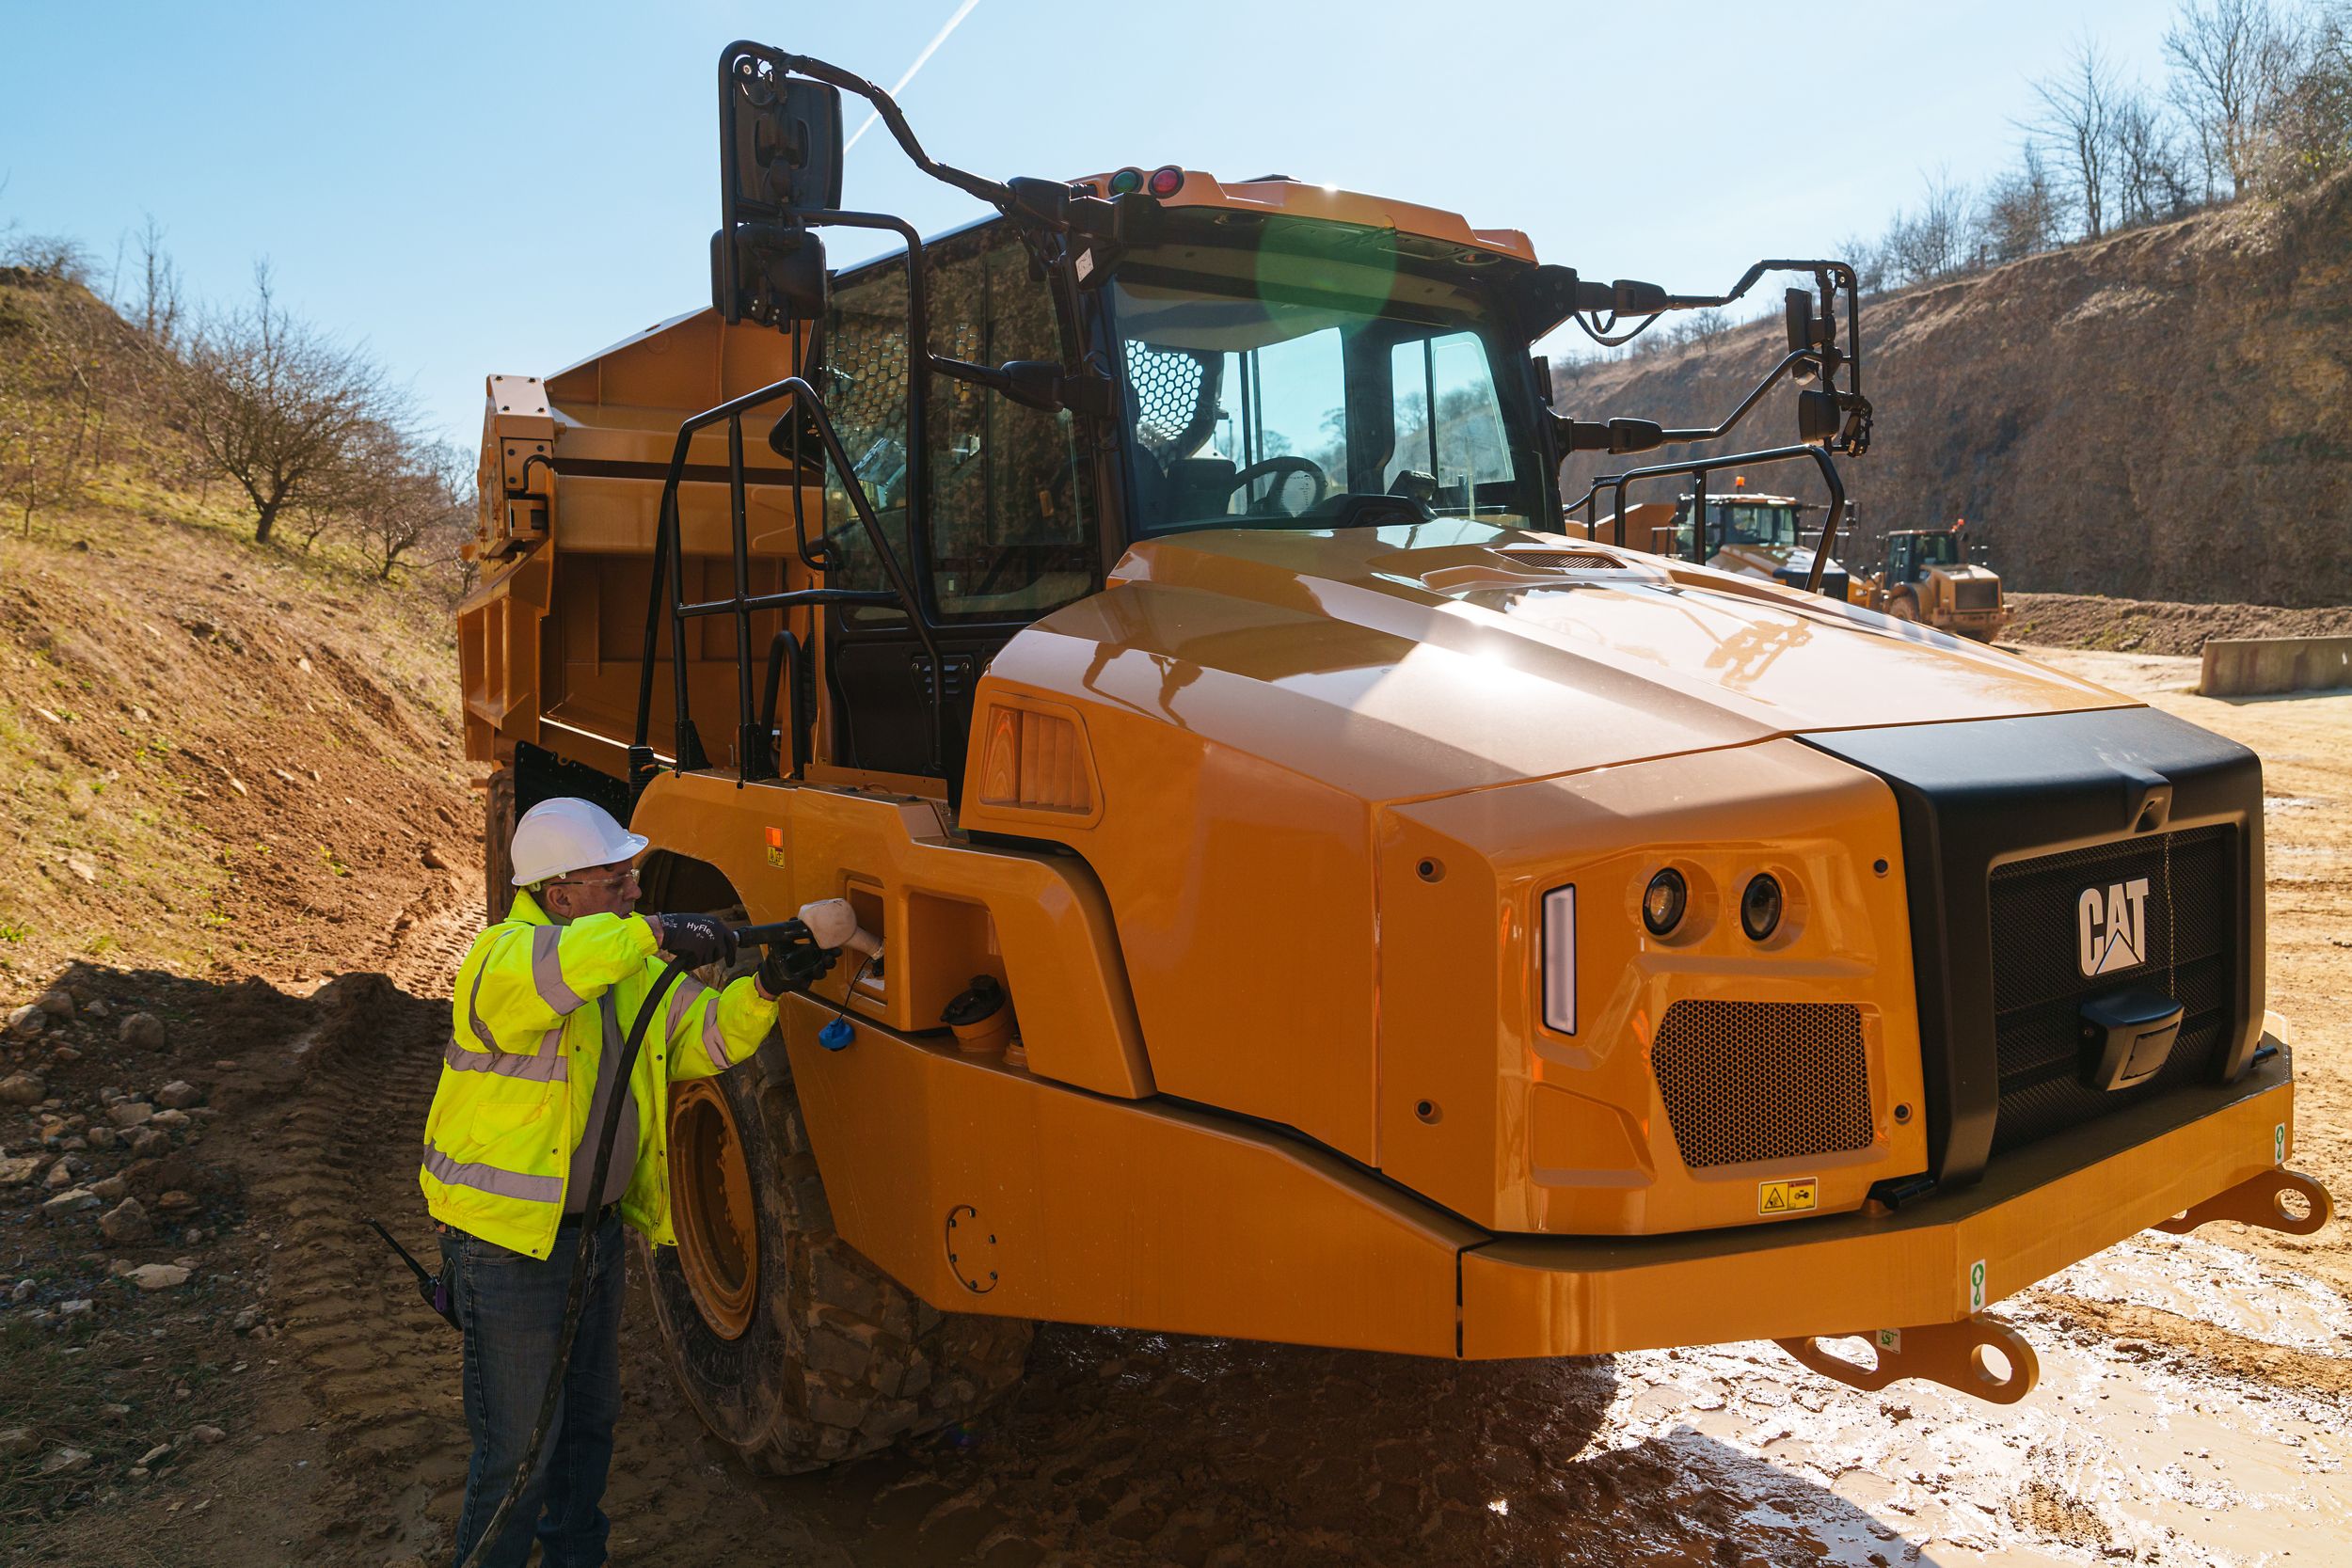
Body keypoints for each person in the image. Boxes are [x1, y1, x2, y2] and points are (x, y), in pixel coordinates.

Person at [421, 797, 832, 1568]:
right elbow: (568, 968)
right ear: (559, 894)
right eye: (615, 879)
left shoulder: (629, 970)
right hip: (506, 1249)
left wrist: (766, 987)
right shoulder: (502, 961)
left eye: (632, 876)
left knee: (586, 1431)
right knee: (517, 1453)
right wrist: (660, 930)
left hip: (594, 1239)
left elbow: (707, 1038)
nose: (635, 890)